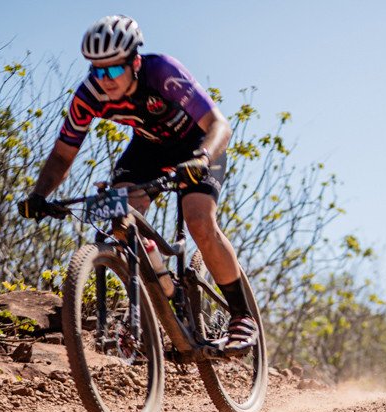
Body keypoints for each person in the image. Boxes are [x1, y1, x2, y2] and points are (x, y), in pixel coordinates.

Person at [17, 15, 257, 352]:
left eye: (114, 69)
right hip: (148, 149)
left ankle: (242, 316)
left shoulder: (162, 72)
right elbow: (62, 154)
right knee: (120, 220)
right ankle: (166, 291)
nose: (105, 79)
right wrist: (40, 194)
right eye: (97, 70)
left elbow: (220, 125)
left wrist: (202, 158)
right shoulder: (89, 96)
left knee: (199, 221)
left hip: (198, 145)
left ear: (135, 62)